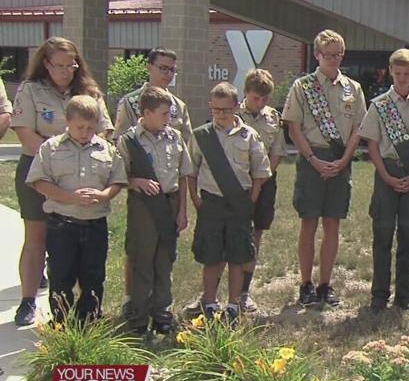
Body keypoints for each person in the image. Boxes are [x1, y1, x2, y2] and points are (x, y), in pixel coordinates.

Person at [11, 37, 113, 326]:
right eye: (59, 66)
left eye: (71, 65)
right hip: (40, 172)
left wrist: (84, 158)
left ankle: (85, 307)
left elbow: (104, 131)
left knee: (77, 244)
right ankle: (28, 300)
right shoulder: (31, 90)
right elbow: (25, 134)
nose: (65, 71)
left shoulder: (89, 92)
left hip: (83, 173)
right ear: (45, 63)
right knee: (37, 238)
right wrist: (58, 155)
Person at [282, 29, 367, 308]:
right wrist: (313, 159)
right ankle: (305, 283)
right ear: (317, 55)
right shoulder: (303, 87)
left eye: (338, 54)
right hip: (312, 159)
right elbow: (293, 127)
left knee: (332, 224)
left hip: (340, 158)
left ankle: (324, 284)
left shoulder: (353, 89)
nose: (333, 59)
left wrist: (344, 160)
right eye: (327, 55)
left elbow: (359, 128)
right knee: (309, 223)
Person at [26, 95, 126, 322]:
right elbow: (39, 182)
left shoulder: (106, 149)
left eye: (91, 127)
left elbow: (118, 180)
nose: (86, 132)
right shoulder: (51, 148)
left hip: (94, 225)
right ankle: (60, 323)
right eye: (80, 126)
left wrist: (104, 195)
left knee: (93, 277)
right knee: (61, 275)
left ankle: (88, 322)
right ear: (67, 121)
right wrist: (69, 197)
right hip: (62, 224)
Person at [113, 47, 194, 312]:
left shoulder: (179, 106)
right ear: (150, 67)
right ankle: (133, 301)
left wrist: (185, 205)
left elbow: (185, 150)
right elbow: (121, 147)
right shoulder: (131, 102)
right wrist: (133, 180)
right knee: (139, 250)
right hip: (143, 193)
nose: (168, 74)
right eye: (163, 68)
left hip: (169, 189)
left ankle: (161, 307)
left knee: (164, 252)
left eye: (172, 69)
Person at [360, 49, 409, 312]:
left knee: (408, 237)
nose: (403, 78)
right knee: (382, 237)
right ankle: (379, 295)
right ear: (391, 72)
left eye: (407, 73)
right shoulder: (380, 105)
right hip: (387, 173)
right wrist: (386, 176)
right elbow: (372, 145)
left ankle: (405, 295)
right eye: (398, 73)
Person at [188, 82, 271, 323]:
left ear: (236, 107)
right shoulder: (201, 135)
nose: (221, 114)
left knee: (237, 256)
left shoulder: (249, 135)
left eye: (226, 109)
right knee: (212, 256)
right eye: (216, 110)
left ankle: (233, 306)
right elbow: (190, 170)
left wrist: (251, 202)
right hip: (211, 202)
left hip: (240, 203)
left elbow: (260, 173)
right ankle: (210, 304)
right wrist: (196, 199)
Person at [235, 69, 287, 312]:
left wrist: (263, 178)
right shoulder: (232, 114)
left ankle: (244, 291)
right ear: (246, 93)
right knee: (228, 235)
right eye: (256, 97)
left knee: (255, 236)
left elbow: (276, 152)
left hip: (264, 184)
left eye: (265, 98)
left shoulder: (273, 118)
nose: (261, 103)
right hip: (235, 184)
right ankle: (213, 292)